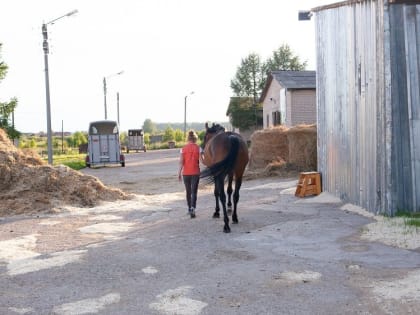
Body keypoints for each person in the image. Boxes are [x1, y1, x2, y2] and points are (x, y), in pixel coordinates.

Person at [178, 130, 203, 218]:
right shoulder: (199, 148)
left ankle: (189, 208)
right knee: (194, 192)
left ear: (188, 139)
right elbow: (202, 161)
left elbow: (181, 162)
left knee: (188, 192)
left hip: (186, 173)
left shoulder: (183, 149)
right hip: (195, 172)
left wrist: (179, 173)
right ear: (195, 139)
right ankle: (193, 207)